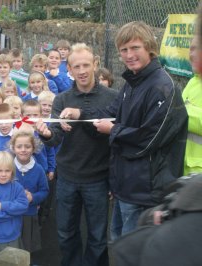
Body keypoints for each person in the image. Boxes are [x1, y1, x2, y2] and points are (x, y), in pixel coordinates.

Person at [56, 22, 188, 237]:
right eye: (124, 50)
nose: (129, 55)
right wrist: (80, 114)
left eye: (135, 48)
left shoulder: (162, 87)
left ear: (149, 47)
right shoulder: (132, 83)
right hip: (126, 187)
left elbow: (149, 139)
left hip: (146, 191)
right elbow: (110, 112)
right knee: (117, 246)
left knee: (132, 251)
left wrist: (113, 130)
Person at [36, 43, 117, 266]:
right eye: (76, 66)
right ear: (68, 69)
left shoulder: (112, 97)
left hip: (98, 179)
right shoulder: (61, 99)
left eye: (86, 65)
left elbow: (116, 137)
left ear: (95, 66)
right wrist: (45, 133)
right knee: (65, 233)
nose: (82, 71)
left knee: (98, 238)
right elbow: (54, 138)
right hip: (67, 178)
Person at [0, 151, 29, 260]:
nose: (3, 174)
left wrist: (4, 206)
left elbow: (24, 206)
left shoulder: (17, 187)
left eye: (7, 171)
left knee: (15, 261)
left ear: (12, 171)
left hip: (15, 235)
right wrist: (14, 212)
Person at [11, 130, 49, 254]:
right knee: (11, 246)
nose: (23, 150)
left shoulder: (38, 169)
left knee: (26, 247)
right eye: (19, 146)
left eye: (27, 146)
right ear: (13, 148)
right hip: (11, 214)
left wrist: (32, 197)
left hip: (29, 214)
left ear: (33, 148)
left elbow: (44, 191)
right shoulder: (8, 166)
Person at [181, 37, 202, 175]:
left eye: (198, 48)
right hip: (184, 170)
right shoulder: (193, 81)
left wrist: (181, 111)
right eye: (191, 48)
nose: (192, 54)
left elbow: (178, 112)